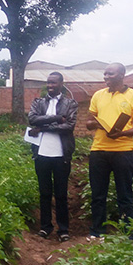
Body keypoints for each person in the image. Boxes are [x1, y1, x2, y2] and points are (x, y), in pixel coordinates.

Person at [85, 63, 133, 239]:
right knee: (98, 194)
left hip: (123, 151)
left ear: (121, 75)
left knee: (125, 194)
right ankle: (97, 232)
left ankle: (127, 233)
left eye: (110, 73)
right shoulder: (98, 95)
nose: (106, 77)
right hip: (99, 150)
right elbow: (88, 123)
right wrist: (96, 124)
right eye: (104, 73)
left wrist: (122, 133)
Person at [27, 72, 78, 241]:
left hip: (61, 155)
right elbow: (32, 119)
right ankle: (45, 227)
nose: (50, 86)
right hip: (41, 154)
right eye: (48, 83)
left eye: (54, 83)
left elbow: (69, 126)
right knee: (44, 193)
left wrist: (42, 128)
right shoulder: (38, 102)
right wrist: (56, 118)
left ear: (62, 84)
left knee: (61, 194)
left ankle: (63, 229)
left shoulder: (70, 103)